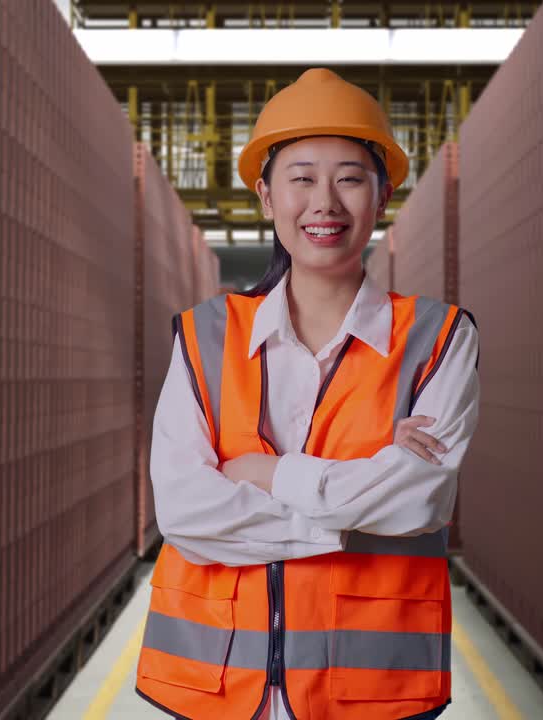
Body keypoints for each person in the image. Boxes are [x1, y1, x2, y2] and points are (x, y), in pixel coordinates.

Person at [134, 68, 479, 720]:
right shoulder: (205, 337)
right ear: (267, 196)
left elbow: (418, 498)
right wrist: (350, 516)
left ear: (383, 196)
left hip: (371, 693)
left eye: (349, 177)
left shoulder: (438, 339)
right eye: (301, 178)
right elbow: (183, 511)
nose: (325, 201)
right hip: (214, 688)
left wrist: (263, 474)